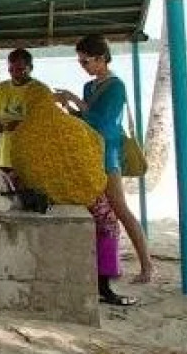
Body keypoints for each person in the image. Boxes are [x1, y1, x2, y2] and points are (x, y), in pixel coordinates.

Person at [55, 35, 154, 283]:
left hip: (109, 154)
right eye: (80, 62)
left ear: (101, 59)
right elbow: (86, 120)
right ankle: (106, 265)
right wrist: (68, 109)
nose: (83, 66)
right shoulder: (90, 87)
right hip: (90, 152)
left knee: (120, 208)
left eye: (85, 61)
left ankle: (147, 266)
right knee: (97, 211)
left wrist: (74, 100)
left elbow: (104, 123)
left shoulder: (116, 87)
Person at [0, 49, 48, 169]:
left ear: (30, 68)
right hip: (1, 158)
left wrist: (21, 125)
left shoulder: (41, 91)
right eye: (11, 70)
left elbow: (47, 122)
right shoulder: (0, 88)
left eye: (20, 70)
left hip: (29, 159)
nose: (14, 74)